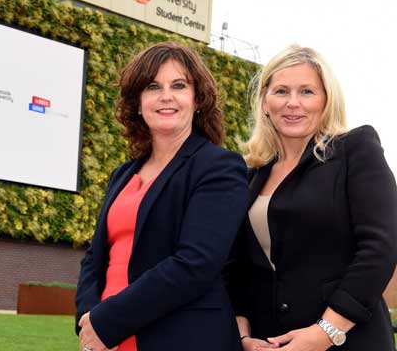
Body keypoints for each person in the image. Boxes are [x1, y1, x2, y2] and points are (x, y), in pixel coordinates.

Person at [75, 41, 248, 351]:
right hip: (109, 341)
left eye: (179, 85)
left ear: (197, 100)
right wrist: (88, 319)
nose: (166, 96)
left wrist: (108, 321)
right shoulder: (122, 175)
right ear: (138, 102)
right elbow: (94, 257)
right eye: (153, 86)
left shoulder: (219, 166)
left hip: (183, 338)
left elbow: (195, 263)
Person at [227, 45, 397, 351]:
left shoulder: (356, 149)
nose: (293, 103)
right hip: (270, 341)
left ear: (326, 100)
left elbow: (380, 247)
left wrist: (325, 333)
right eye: (281, 91)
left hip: (349, 340)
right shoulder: (251, 173)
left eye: (307, 92)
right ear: (265, 102)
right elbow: (239, 268)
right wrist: (243, 336)